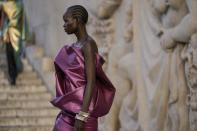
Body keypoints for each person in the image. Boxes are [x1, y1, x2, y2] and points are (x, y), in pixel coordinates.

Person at [50, 5, 116, 131]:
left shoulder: (88, 44)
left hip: (83, 112)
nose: (64, 25)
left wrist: (82, 116)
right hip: (68, 111)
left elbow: (91, 81)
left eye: (66, 21)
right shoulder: (74, 46)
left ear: (77, 20)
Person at [0, 0, 29, 85]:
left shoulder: (20, 5)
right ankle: (12, 76)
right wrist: (1, 32)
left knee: (16, 53)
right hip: (7, 33)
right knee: (9, 54)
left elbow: (23, 20)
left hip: (17, 33)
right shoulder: (4, 4)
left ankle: (17, 69)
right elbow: (2, 18)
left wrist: (25, 35)